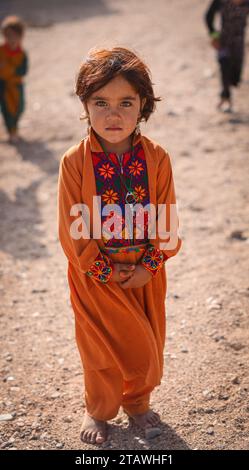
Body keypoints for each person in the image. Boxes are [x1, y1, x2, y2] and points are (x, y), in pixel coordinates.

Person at [57, 46, 182, 445]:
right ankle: (99, 410)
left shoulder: (158, 158)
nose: (114, 115)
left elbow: (167, 216)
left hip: (145, 273)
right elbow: (72, 226)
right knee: (99, 349)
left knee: (146, 344)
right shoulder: (74, 163)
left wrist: (151, 263)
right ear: (85, 105)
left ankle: (139, 404)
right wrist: (101, 270)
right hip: (94, 277)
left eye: (126, 102)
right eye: (101, 103)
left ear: (143, 104)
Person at [205, 0, 249, 112]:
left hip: (239, 44)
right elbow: (208, 16)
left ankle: (226, 93)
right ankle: (226, 96)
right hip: (223, 42)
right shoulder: (221, 1)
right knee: (224, 67)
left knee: (235, 79)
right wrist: (214, 35)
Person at [0, 15, 28, 143]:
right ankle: (12, 132)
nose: (10, 39)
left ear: (20, 36)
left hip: (17, 85)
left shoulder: (22, 53)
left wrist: (10, 70)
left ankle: (15, 129)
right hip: (4, 86)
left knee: (19, 107)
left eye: (13, 36)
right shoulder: (1, 51)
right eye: (7, 36)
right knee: (7, 109)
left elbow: (23, 70)